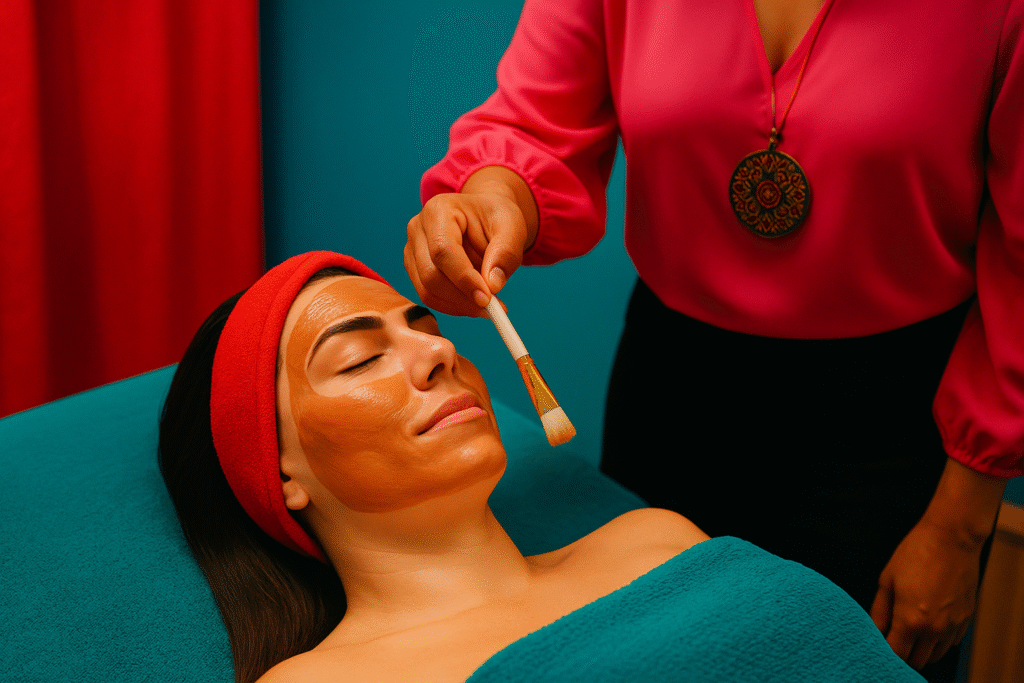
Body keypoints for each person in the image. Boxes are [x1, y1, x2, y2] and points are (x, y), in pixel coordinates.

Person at [403, 1, 1024, 680]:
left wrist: (959, 528)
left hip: (898, 421)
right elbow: (533, 125)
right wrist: (491, 198)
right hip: (672, 392)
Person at [158, 251, 926, 683]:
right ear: (281, 473)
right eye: (360, 358)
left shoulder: (654, 539)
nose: (439, 350)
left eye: (424, 328)